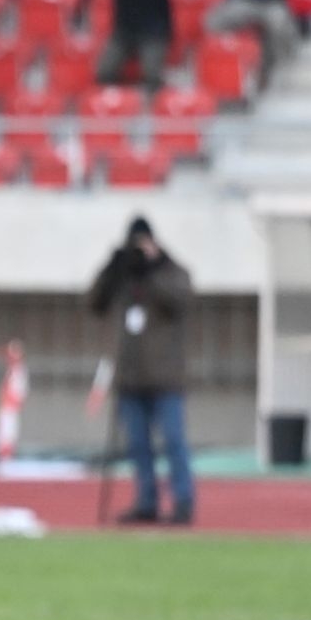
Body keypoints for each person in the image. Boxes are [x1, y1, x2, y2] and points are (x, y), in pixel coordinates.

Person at [89, 216, 195, 525]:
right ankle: (146, 501)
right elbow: (95, 303)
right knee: (137, 446)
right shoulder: (124, 276)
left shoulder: (171, 271)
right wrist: (113, 268)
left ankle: (183, 502)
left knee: (174, 441)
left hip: (166, 377)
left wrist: (154, 267)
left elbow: (180, 300)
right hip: (130, 376)